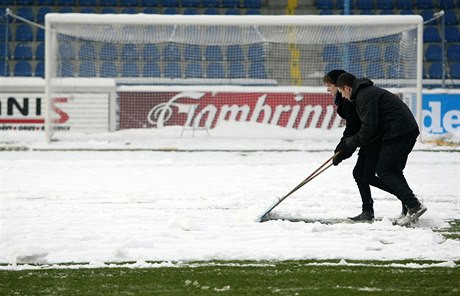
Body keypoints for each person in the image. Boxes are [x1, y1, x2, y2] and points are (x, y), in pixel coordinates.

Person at [334, 72, 426, 226]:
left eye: (342, 92)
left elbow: (369, 128)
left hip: (398, 132)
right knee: (393, 170)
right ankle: (409, 206)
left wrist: (350, 143)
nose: (342, 96)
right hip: (404, 130)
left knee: (384, 170)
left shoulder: (364, 96)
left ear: (347, 88)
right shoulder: (365, 94)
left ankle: (414, 205)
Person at [324, 70, 403, 221]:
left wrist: (343, 151)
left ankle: (406, 197)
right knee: (361, 174)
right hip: (368, 139)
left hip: (375, 139)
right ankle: (369, 210)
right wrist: (342, 149)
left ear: (342, 87)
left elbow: (354, 128)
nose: (328, 89)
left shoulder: (349, 101)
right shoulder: (344, 100)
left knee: (365, 174)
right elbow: (353, 129)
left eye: (330, 85)